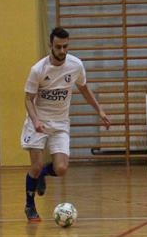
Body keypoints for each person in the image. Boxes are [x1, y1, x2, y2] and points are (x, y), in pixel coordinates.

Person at [21, 26, 111, 221]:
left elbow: (84, 89)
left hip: (60, 123)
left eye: (65, 47)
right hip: (38, 121)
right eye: (58, 47)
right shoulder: (38, 69)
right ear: (50, 45)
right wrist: (35, 120)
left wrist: (100, 110)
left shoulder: (75, 65)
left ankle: (43, 174)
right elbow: (28, 99)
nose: (62, 51)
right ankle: (30, 206)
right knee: (35, 165)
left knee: (61, 169)